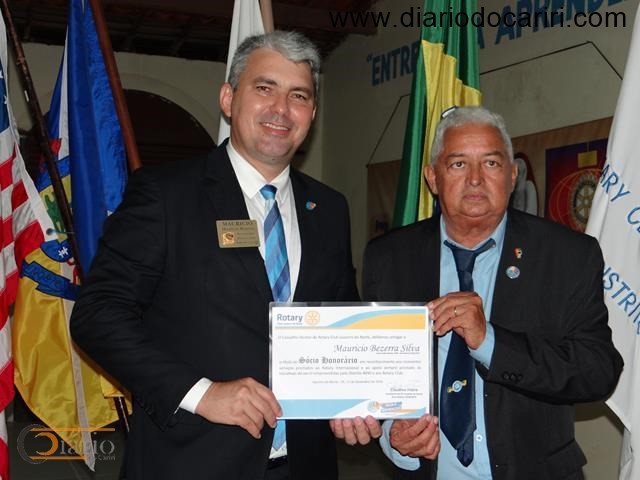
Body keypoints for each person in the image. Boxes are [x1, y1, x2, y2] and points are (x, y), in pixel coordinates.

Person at [70, 31, 358, 480]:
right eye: (264, 88)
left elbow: (342, 320)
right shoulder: (165, 195)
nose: (281, 109)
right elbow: (98, 314)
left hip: (305, 464)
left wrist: (356, 397)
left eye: (298, 95)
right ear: (228, 98)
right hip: (192, 461)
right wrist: (201, 393)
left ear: (312, 114)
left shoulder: (329, 208)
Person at [342, 106, 623, 479]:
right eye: (458, 164)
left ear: (512, 175)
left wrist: (490, 342)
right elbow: (374, 370)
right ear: (432, 178)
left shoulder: (568, 254)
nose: (475, 179)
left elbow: (598, 370)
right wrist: (395, 434)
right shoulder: (389, 257)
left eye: (490, 163)